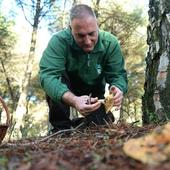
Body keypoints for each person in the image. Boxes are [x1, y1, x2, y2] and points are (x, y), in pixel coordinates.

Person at [39, 4, 128, 133]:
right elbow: (48, 76)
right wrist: (74, 100)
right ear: (71, 30)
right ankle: (61, 129)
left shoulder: (110, 43)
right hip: (66, 89)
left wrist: (118, 87)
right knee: (56, 79)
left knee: (100, 125)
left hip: (95, 95)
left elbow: (118, 75)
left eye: (92, 34)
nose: (87, 41)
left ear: (97, 26)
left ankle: (76, 126)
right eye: (80, 36)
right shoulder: (59, 41)